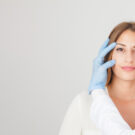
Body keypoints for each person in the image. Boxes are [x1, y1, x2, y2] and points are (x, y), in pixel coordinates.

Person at [58, 21, 135, 135]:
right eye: (120, 49)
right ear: (108, 54)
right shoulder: (83, 104)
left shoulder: (98, 99)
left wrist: (97, 91)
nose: (129, 58)